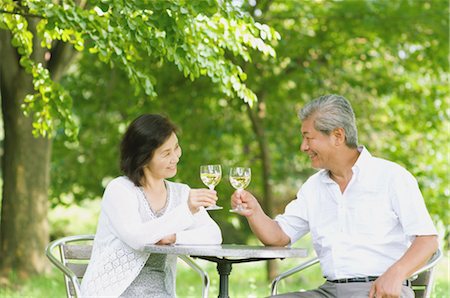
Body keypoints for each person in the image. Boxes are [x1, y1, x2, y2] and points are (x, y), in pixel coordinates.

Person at [231, 94, 438, 298]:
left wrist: (396, 274)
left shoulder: (391, 177)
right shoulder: (313, 187)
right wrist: (254, 212)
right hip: (329, 291)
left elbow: (427, 240)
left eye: (309, 137)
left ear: (338, 136)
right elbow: (278, 237)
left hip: (378, 291)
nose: (303, 147)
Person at [81, 114, 222, 297]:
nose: (176, 157)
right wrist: (186, 211)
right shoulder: (120, 190)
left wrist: (174, 237)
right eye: (166, 153)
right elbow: (137, 238)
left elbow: (213, 235)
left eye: (176, 148)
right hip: (115, 292)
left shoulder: (181, 193)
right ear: (143, 158)